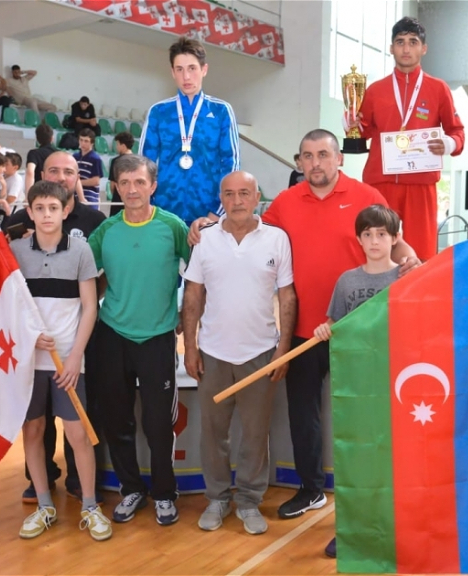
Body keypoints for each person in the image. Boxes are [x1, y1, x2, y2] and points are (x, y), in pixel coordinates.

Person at [188, 129, 420, 524]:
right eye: (308, 156)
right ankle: (311, 489)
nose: (316, 163)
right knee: (303, 415)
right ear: (299, 162)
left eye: (323, 155)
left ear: (339, 158)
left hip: (358, 331)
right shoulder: (285, 202)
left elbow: (394, 241)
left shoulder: (367, 195)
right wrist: (206, 223)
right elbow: (247, 226)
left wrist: (411, 257)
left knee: (365, 413)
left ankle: (374, 493)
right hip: (305, 332)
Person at [183, 170, 296, 536]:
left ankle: (248, 500)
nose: (237, 201)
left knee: (255, 434)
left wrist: (283, 348)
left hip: (260, 354)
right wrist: (190, 347)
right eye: (229, 194)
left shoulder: (277, 239)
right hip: (213, 354)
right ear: (221, 198)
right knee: (213, 433)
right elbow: (193, 295)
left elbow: (287, 296)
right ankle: (217, 498)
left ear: (257, 196)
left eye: (244, 193)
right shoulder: (205, 238)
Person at [88, 154, 190, 527]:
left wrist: (184, 316)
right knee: (117, 419)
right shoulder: (106, 232)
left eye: (140, 182)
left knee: (158, 423)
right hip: (112, 335)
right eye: (125, 183)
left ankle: (164, 493)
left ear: (153, 186)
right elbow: (82, 274)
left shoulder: (172, 227)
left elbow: (199, 273)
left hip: (157, 339)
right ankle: (131, 489)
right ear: (115, 187)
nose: (132, 189)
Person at [1, 152, 106, 504]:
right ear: (29, 213)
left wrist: (75, 356)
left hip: (69, 362)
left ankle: (89, 503)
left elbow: (90, 306)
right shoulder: (16, 251)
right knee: (33, 429)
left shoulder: (81, 251)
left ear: (65, 210)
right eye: (40, 208)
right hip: (30, 362)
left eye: (53, 208)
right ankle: (44, 502)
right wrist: (28, 338)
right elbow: (9, 307)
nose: (47, 214)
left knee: (78, 433)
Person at [312, 203, 402, 558]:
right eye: (368, 234)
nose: (375, 241)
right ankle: (352, 529)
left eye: (382, 234)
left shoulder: (407, 277)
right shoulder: (347, 281)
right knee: (357, 459)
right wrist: (324, 330)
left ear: (395, 238)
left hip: (395, 385)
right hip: (357, 386)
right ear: (359, 240)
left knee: (391, 460)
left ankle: (392, 528)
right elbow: (336, 325)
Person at [349, 17, 465, 262]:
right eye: (400, 42)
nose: (406, 48)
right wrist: (351, 123)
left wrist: (449, 144)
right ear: (391, 48)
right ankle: (377, 288)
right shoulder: (375, 90)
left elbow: (457, 131)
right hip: (381, 182)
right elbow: (363, 131)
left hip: (421, 184)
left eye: (413, 42)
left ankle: (419, 288)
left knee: (421, 254)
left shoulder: (438, 89)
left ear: (424, 48)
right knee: (376, 248)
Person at [140, 36, 240, 226]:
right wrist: (151, 209)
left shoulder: (221, 111)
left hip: (209, 217)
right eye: (180, 69)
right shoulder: (159, 112)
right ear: (172, 72)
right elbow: (144, 165)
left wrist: (215, 215)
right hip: (163, 216)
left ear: (204, 70)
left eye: (192, 68)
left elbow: (231, 165)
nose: (186, 76)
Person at [73, 128, 103, 206]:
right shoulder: (75, 157)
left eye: (86, 141)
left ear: (92, 143)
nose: (83, 143)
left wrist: (78, 183)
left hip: (90, 196)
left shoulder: (95, 159)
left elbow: (96, 181)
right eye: (81, 140)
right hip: (75, 195)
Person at [107, 131, 134, 217]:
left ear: (123, 145)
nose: (116, 147)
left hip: (118, 199)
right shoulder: (139, 161)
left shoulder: (116, 161)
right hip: (133, 198)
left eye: (117, 144)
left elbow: (112, 185)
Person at [24, 123, 57, 190]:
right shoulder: (59, 153)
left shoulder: (34, 153)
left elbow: (30, 171)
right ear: (52, 138)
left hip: (39, 190)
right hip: (56, 190)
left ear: (37, 138)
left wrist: (28, 193)